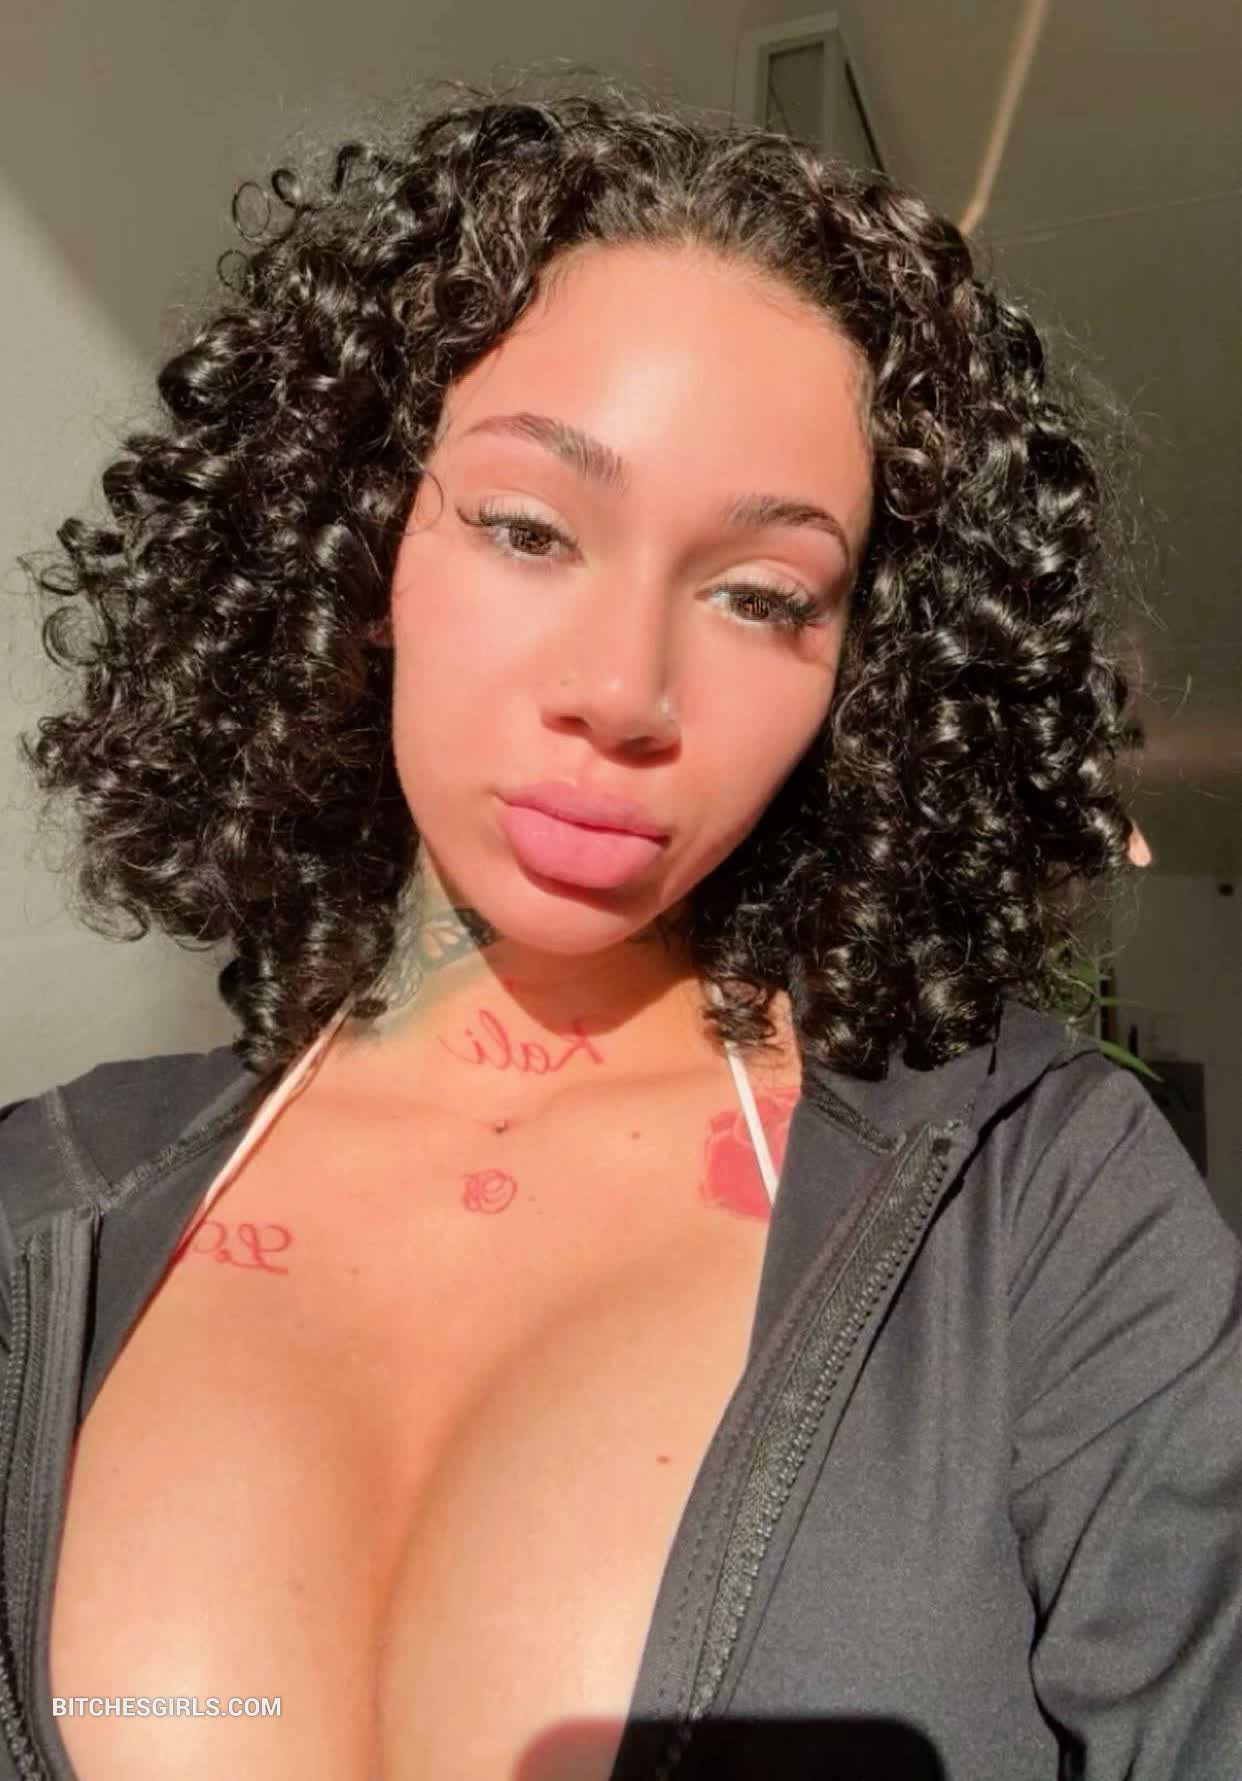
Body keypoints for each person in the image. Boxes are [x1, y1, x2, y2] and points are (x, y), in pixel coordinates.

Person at [2, 71, 1237, 1781]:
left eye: (760, 594)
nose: (625, 690)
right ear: (359, 544)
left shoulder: (1031, 1205)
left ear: (863, 667)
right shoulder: (44, 1215)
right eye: (527, 527)